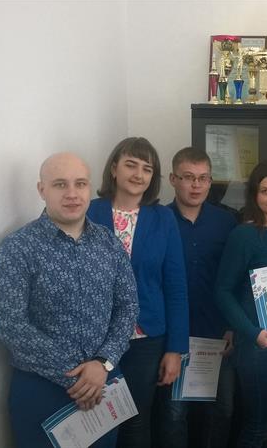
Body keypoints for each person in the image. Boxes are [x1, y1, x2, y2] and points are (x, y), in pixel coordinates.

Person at [0, 152, 138, 447]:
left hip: (103, 383)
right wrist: (76, 376)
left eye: (80, 184)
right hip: (42, 391)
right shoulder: (18, 248)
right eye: (60, 184)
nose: (72, 193)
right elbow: (10, 324)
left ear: (89, 188)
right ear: (42, 189)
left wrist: (102, 364)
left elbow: (128, 306)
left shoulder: (109, 243)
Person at [87, 137, 189, 448]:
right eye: (131, 165)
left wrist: (175, 350)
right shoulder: (89, 211)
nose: (139, 174)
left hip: (145, 340)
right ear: (114, 168)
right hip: (94, 337)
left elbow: (175, 285)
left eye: (147, 169)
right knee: (93, 420)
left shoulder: (162, 218)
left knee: (135, 420)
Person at [153, 147, 238, 448]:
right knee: (174, 414)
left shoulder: (226, 223)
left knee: (222, 410)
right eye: (188, 177)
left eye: (203, 178)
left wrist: (232, 326)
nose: (196, 185)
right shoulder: (158, 221)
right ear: (173, 179)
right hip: (173, 337)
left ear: (211, 181)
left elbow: (235, 278)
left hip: (217, 334)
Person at [215, 160, 267, 448]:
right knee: (257, 427)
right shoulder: (244, 235)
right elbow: (223, 291)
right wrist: (253, 334)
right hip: (257, 345)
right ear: (254, 195)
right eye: (266, 191)